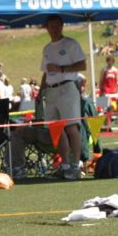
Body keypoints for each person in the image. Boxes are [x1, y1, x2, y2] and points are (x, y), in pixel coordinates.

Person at [39, 14, 86, 180]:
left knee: (71, 127)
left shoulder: (71, 44)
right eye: (51, 26)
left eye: (57, 25)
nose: (54, 29)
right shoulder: (47, 48)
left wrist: (62, 68)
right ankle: (64, 165)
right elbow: (46, 72)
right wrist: (40, 91)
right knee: (56, 128)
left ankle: (76, 164)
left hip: (67, 86)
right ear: (47, 27)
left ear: (62, 26)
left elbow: (83, 65)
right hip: (51, 90)